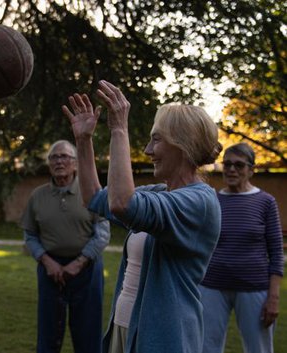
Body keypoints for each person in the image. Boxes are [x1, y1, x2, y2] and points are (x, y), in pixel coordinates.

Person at [62, 80, 222, 353]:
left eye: (156, 139)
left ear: (182, 144)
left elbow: (124, 203)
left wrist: (119, 129)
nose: (147, 151)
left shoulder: (200, 203)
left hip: (163, 339)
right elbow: (95, 198)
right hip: (125, 328)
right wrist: (83, 140)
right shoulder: (160, 193)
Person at [21, 140, 111, 353]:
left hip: (87, 269)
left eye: (64, 156)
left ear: (76, 163)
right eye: (54, 157)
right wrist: (46, 261)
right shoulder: (37, 196)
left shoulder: (92, 192)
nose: (59, 161)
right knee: (48, 332)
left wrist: (79, 263)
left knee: (88, 332)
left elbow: (103, 233)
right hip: (50, 270)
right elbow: (30, 234)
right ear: (49, 163)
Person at [199, 142, 283, 353]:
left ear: (251, 170)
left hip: (254, 288)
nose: (231, 169)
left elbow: (275, 252)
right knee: (205, 347)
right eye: (227, 164)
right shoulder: (213, 200)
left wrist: (273, 297)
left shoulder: (265, 202)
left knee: (259, 349)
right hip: (212, 286)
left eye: (239, 165)